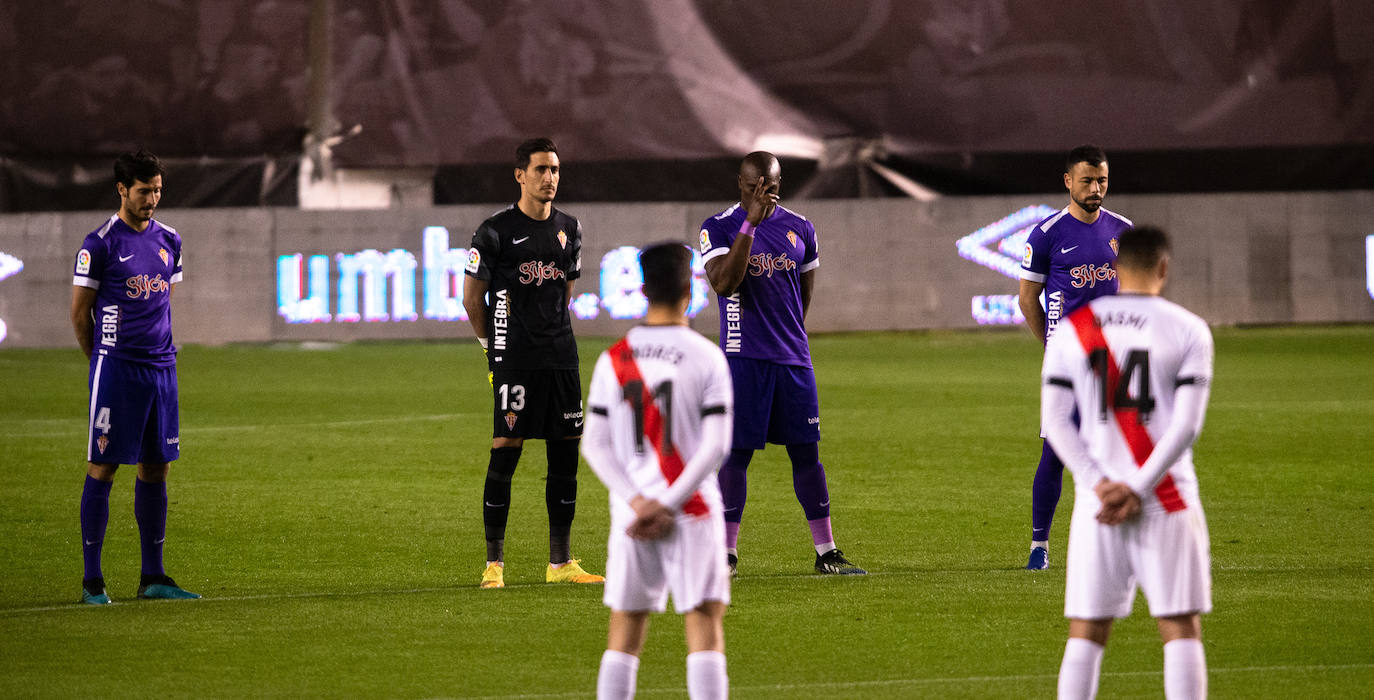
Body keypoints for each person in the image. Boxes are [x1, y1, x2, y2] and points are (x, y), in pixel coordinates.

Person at [1041, 226, 1213, 699]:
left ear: (1116, 270)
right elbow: (1186, 428)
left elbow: (1056, 423)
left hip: (1097, 503)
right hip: (1167, 496)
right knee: (1180, 625)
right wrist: (1137, 488)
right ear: (1163, 267)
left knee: (1086, 631)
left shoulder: (1073, 330)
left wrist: (1101, 484)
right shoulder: (1189, 328)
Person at [699, 151, 864, 576]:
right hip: (742, 359)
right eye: (756, 186)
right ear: (741, 183)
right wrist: (750, 224)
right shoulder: (717, 227)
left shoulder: (801, 227)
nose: (764, 193)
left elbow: (802, 295)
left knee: (806, 454)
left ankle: (827, 553)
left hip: (793, 360)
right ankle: (725, 556)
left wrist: (788, 335)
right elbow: (724, 282)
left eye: (771, 186)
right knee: (736, 455)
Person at [582, 242, 733, 700]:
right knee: (703, 620)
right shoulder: (707, 356)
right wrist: (667, 503)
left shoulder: (614, 359)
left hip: (632, 516)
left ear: (642, 289)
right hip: (692, 509)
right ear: (692, 287)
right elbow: (716, 446)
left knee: (626, 628)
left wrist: (638, 503)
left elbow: (595, 443)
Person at [462, 137, 603, 589]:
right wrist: (492, 348)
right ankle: (494, 565)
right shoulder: (495, 231)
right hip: (515, 359)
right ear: (520, 175)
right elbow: (470, 298)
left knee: (565, 455)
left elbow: (565, 291)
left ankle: (560, 564)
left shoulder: (571, 228)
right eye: (541, 169)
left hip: (561, 357)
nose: (550, 178)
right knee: (506, 450)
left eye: (556, 169)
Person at [70, 150, 200, 604]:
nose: (152, 198)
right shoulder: (100, 243)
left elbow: (162, 303)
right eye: (144, 190)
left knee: (156, 467)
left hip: (161, 367)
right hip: (117, 368)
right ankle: (92, 583)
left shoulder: (170, 240)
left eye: (158, 189)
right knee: (104, 466)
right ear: (122, 189)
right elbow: (79, 313)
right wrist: (101, 360)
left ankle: (153, 577)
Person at [1018, 144, 1133, 570]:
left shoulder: (1123, 230)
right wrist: (1051, 346)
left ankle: (1115, 543)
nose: (1096, 188)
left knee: (1117, 451)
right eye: (1087, 180)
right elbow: (1028, 297)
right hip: (1067, 362)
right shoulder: (1047, 234)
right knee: (1055, 452)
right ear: (1068, 181)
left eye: (1102, 180)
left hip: (1114, 361)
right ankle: (1039, 546)